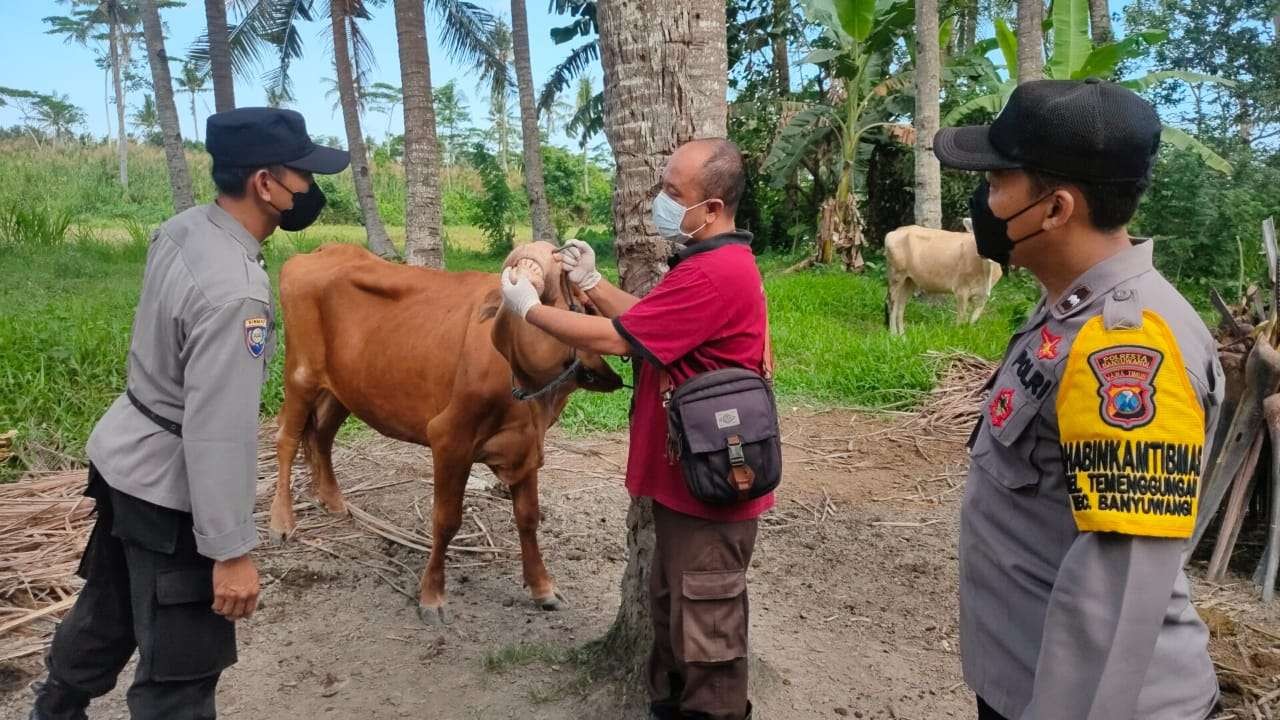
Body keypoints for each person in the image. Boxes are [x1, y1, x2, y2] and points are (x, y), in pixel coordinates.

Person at [29, 108, 349, 720]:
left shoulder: (180, 231)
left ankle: (52, 710)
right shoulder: (239, 296)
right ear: (265, 183)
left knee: (109, 611)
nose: (310, 189)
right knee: (180, 674)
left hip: (124, 458)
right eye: (302, 175)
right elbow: (218, 433)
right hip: (171, 494)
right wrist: (229, 552)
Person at [933, 79, 1224, 720]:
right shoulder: (1070, 306)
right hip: (1029, 675)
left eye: (996, 182)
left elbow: (1118, 592)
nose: (984, 200)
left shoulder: (1128, 348)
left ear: (1056, 209)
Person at [500, 138, 770, 720]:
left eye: (675, 194)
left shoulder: (716, 273)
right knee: (674, 616)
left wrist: (531, 310)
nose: (662, 202)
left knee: (709, 638)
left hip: (710, 492)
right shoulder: (702, 263)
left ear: (714, 209)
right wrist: (591, 283)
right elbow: (648, 321)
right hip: (688, 483)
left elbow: (622, 340)